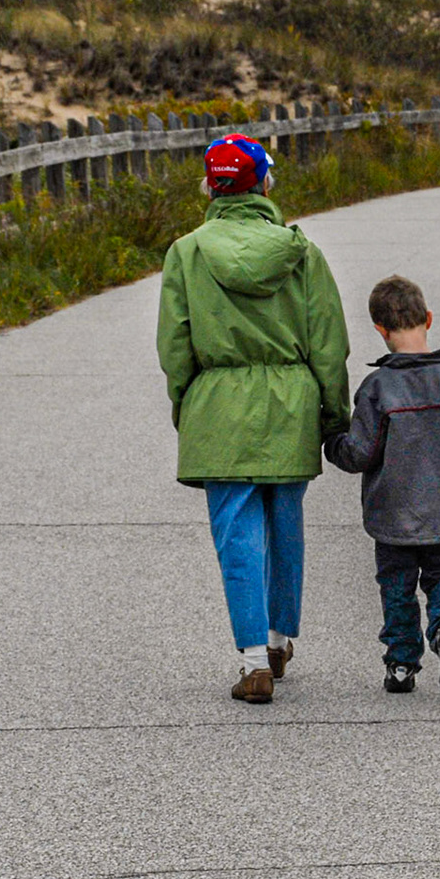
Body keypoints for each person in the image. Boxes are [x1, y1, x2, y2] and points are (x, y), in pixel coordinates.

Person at [157, 133, 350, 704]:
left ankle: (249, 663)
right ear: (265, 184)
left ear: (211, 188)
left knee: (236, 534)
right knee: (284, 525)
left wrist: (186, 406)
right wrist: (334, 416)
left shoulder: (187, 253)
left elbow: (175, 345)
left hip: (219, 405)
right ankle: (278, 641)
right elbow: (327, 344)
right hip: (289, 403)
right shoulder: (301, 253)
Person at [324, 275, 440, 696]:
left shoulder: (378, 388)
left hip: (394, 515)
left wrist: (332, 442)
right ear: (429, 319)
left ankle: (401, 664)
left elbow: (360, 453)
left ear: (379, 330)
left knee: (397, 587)